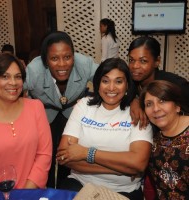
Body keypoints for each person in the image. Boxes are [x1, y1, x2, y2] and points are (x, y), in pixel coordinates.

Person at [56, 58, 153, 200]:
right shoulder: (84, 105)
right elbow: (64, 156)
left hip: (124, 190)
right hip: (80, 183)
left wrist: (86, 153)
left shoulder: (138, 113)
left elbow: (138, 164)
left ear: (127, 85)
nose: (111, 88)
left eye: (118, 81)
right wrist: (120, 169)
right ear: (98, 83)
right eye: (105, 81)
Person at [24, 31, 99, 188]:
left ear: (73, 55)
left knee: (69, 156)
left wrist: (132, 99)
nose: (62, 64)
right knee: (45, 157)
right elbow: (12, 87)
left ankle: (67, 188)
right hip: (45, 113)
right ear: (45, 60)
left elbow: (108, 76)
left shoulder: (84, 64)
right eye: (54, 58)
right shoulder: (34, 70)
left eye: (67, 57)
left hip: (71, 112)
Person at [128, 36, 189, 199]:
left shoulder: (176, 85)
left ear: (156, 62)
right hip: (156, 156)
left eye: (142, 61)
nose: (135, 66)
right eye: (131, 60)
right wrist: (135, 100)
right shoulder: (132, 83)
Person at [0, 53, 52, 190]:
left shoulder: (35, 107)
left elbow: (44, 155)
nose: (13, 82)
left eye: (17, 77)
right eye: (5, 76)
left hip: (32, 192)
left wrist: (25, 193)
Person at [139, 80, 189, 200]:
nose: (156, 109)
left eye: (163, 101)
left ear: (177, 106)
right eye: (149, 104)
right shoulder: (154, 140)